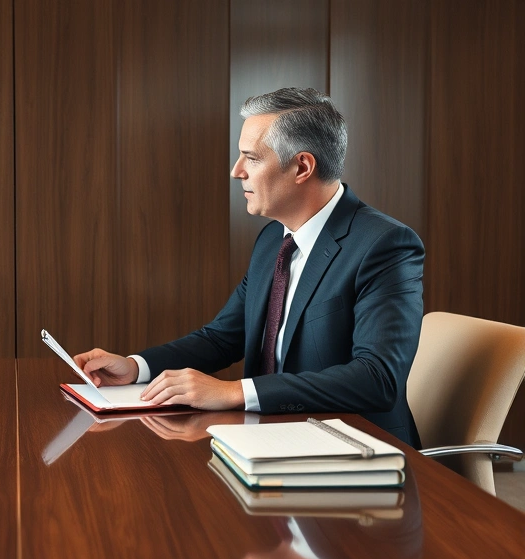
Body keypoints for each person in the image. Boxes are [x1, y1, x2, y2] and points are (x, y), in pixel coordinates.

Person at [74, 87, 424, 447]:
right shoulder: (274, 240)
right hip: (272, 442)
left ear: (302, 166)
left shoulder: (385, 245)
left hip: (360, 453)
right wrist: (135, 368)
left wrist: (234, 391)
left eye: (251, 158)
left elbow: (377, 378)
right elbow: (223, 337)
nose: (235, 171)